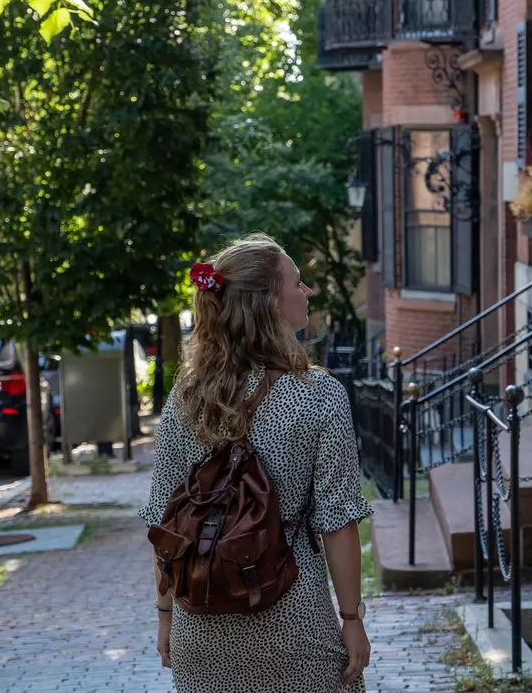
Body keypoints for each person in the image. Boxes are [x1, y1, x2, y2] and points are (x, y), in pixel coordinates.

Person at [138, 234, 374, 693]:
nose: (307, 293)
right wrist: (351, 619)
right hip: (294, 619)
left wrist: (165, 615)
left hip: (199, 622)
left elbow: (163, 523)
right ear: (268, 303)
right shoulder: (319, 395)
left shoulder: (186, 397)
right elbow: (338, 521)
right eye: (298, 283)